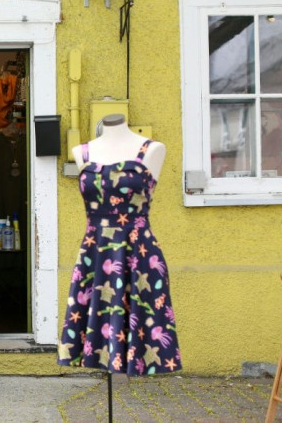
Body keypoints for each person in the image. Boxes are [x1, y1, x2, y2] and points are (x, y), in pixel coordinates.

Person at [58, 114, 181, 375]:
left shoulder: (152, 150)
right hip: (96, 252)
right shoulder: (82, 151)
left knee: (136, 316)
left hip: (138, 253)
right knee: (100, 317)